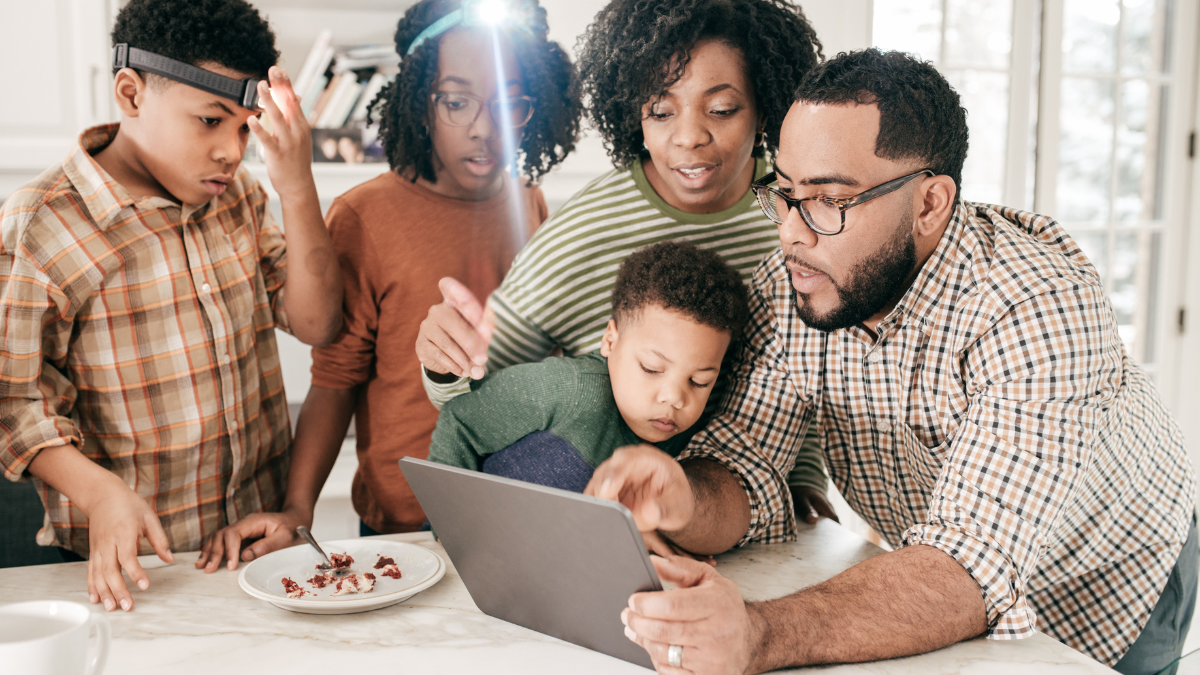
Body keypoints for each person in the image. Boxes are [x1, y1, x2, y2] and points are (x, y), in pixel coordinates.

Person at [588, 49, 1197, 675]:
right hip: (941, 574)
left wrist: (759, 632)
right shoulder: (790, 286)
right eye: (787, 194)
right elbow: (746, 467)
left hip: (1109, 579)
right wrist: (684, 497)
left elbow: (968, 565)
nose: (791, 233)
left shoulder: (1037, 304)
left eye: (828, 200)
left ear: (930, 204)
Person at [415, 0, 835, 525]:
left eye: (722, 109)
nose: (688, 137)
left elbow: (813, 373)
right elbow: (472, 396)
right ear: (632, 113)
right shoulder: (583, 233)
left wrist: (805, 484)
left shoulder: (800, 220)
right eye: (661, 111)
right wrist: (443, 357)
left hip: (735, 523)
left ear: (766, 106)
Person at [194, 0, 582, 568]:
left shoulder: (528, 201)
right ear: (420, 102)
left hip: (513, 503)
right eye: (456, 101)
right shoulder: (364, 215)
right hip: (403, 520)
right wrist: (298, 509)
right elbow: (334, 381)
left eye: (509, 104)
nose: (482, 127)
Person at [0, 0, 342, 612]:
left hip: (254, 551)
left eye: (244, 127)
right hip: (130, 570)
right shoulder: (43, 222)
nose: (231, 151)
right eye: (210, 120)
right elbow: (13, 399)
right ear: (131, 95)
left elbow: (317, 324)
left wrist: (296, 184)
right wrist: (101, 495)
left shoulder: (240, 197)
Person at [429, 240, 747, 495]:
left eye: (700, 381)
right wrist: (450, 525)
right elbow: (459, 418)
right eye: (651, 368)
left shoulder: (682, 430)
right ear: (610, 340)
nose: (675, 398)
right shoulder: (571, 389)